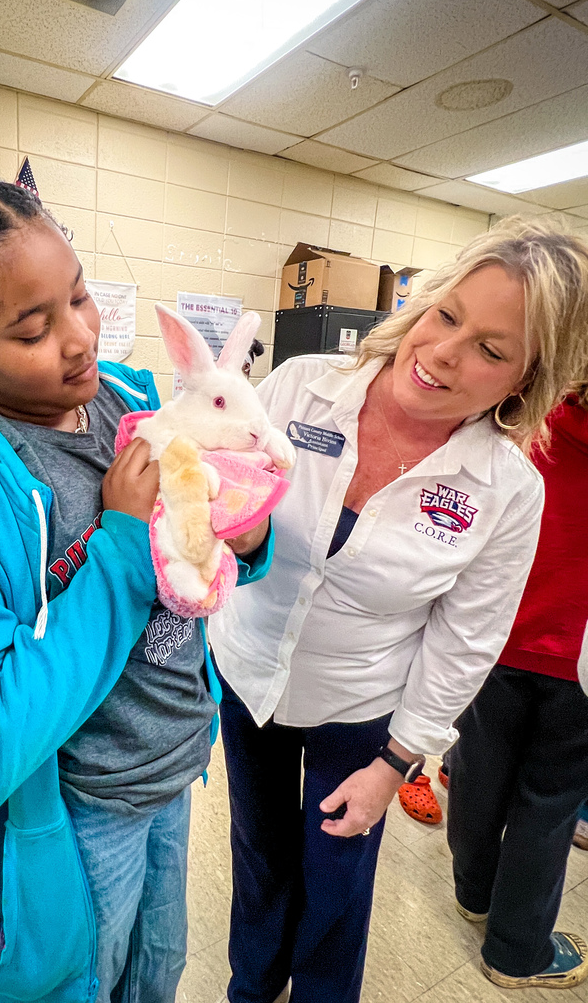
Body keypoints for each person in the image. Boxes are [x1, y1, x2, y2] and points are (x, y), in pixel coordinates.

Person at [0, 164, 272, 1003]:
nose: (80, 340)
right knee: (81, 983)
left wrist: (248, 531)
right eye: (32, 330)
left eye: (80, 296)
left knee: (156, 973)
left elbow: (206, 551)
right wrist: (124, 544)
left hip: (173, 770)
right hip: (73, 815)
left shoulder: (129, 402)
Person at [209, 216, 588, 1003]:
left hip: (362, 704)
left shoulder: (507, 489)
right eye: (446, 314)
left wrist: (396, 763)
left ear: (526, 379)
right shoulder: (298, 385)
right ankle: (253, 983)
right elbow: (216, 519)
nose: (444, 352)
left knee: (337, 873)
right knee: (259, 847)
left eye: (491, 348)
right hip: (248, 672)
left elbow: (466, 640)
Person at [447, 392, 588, 990]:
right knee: (549, 803)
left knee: (478, 771)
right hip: (579, 657)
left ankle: (474, 893)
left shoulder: (527, 413)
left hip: (495, 632)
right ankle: (516, 949)